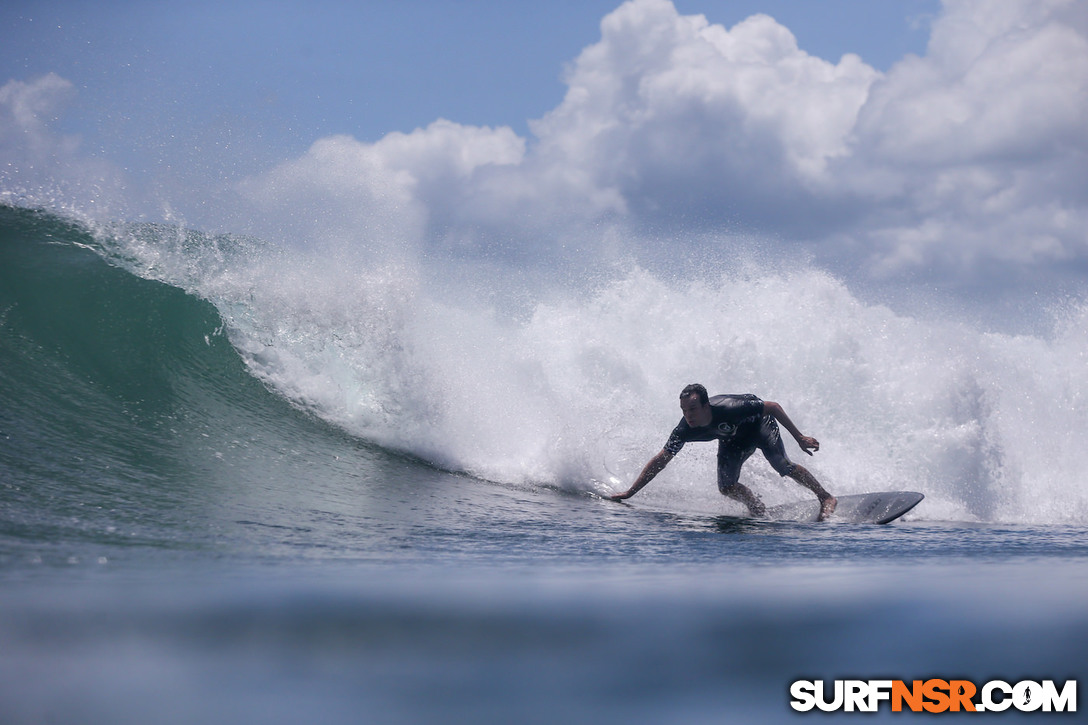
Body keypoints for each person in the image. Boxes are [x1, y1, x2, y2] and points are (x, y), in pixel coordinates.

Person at [609, 383, 837, 520]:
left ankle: (826, 497)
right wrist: (630, 492)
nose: (688, 415)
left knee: (781, 465)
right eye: (684, 410)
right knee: (727, 487)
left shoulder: (730, 407)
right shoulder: (684, 430)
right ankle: (756, 506)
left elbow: (773, 407)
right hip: (733, 440)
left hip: (760, 426)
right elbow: (661, 460)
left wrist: (799, 438)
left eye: (693, 409)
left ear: (706, 406)